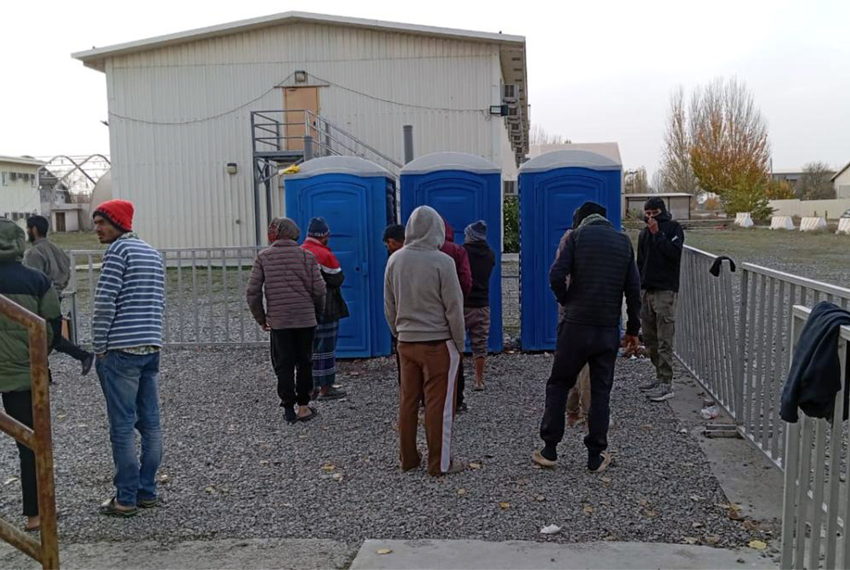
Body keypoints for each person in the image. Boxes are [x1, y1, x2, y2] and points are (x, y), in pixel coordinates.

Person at [533, 202, 641, 474]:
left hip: (575, 326)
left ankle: (549, 449)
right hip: (606, 329)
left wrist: (566, 300)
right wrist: (632, 329)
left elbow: (556, 275)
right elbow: (633, 290)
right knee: (601, 391)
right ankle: (596, 455)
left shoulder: (576, 237)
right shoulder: (623, 242)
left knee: (558, 384)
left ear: (581, 220)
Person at [91, 199, 166, 517]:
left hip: (120, 350)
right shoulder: (151, 252)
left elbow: (104, 303)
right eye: (95, 223)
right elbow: (159, 301)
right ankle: (147, 491)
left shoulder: (118, 252)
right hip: (150, 347)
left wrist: (99, 346)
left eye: (102, 223)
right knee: (150, 425)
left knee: (121, 427)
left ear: (119, 222)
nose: (97, 229)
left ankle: (125, 499)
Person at [385, 206, 465, 476]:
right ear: (437, 229)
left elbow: (389, 305)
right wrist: (459, 343)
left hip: (406, 342)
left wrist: (399, 334)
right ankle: (439, 463)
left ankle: (408, 458)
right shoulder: (443, 262)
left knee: (408, 401)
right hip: (437, 342)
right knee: (438, 404)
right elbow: (454, 307)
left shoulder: (395, 260)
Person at [0, 218, 61, 532]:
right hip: (26, 375)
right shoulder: (37, 280)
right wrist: (35, 357)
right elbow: (52, 328)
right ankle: (35, 516)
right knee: (31, 445)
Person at [247, 217, 326, 424]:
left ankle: (288, 408)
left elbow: (252, 292)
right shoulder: (307, 257)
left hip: (279, 321)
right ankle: (304, 407)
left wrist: (261, 318)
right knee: (305, 362)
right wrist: (317, 312)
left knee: (284, 364)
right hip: (305, 319)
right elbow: (319, 290)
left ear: (276, 234)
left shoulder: (263, 257)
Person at [24, 215, 94, 376]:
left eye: (28, 228)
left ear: (34, 229)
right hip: (56, 296)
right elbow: (66, 272)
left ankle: (81, 357)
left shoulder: (34, 253)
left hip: (40, 299)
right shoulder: (56, 249)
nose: (27, 231)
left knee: (43, 336)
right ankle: (49, 371)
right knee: (49, 335)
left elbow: (31, 280)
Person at [637, 197, 685, 403]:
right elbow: (640, 262)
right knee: (650, 338)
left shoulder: (674, 229)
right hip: (647, 289)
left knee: (665, 338)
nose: (650, 217)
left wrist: (658, 234)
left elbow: (674, 254)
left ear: (661, 212)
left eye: (654, 213)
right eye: (647, 213)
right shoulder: (643, 234)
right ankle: (659, 375)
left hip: (665, 289)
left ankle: (667, 381)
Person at [301, 217, 349, 401]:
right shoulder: (323, 254)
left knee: (308, 349)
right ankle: (326, 388)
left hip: (305, 309)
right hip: (326, 307)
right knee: (326, 348)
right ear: (323, 235)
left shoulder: (300, 251)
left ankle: (309, 388)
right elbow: (337, 279)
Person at [554, 227, 591, 428]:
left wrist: (563, 299)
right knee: (586, 367)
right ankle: (586, 412)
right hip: (580, 315)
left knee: (569, 363)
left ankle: (571, 410)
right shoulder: (578, 250)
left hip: (566, 314)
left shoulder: (564, 247)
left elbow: (556, 277)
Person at [440, 218, 472, 412]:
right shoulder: (457, 251)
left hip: (425, 317)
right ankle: (457, 400)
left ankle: (428, 401)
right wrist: (460, 299)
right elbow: (466, 280)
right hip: (453, 308)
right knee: (455, 354)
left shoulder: (407, 255)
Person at [462, 221, 495, 391]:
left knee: (456, 342)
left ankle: (456, 378)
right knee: (480, 343)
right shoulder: (490, 254)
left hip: (463, 304)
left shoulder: (462, 252)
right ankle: (479, 380)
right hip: (482, 304)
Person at [383, 223, 405, 384]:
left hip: (404, 329)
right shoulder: (438, 258)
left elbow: (389, 302)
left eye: (388, 245)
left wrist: (395, 331)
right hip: (433, 330)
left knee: (406, 375)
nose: (388, 249)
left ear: (392, 241)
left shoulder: (394, 261)